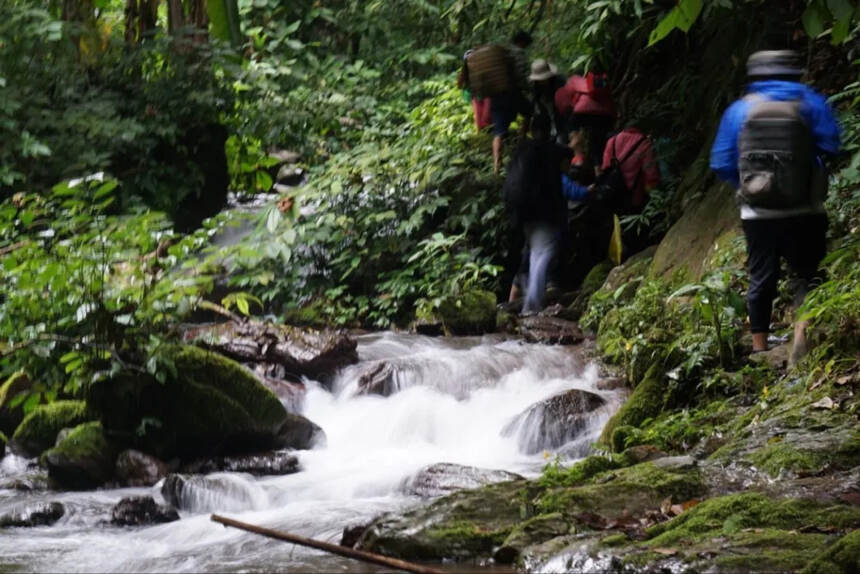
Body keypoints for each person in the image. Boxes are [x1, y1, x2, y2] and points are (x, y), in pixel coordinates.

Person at [710, 49, 840, 362]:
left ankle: (759, 347)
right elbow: (832, 144)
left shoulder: (740, 110)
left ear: (755, 77)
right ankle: (801, 332)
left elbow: (720, 161)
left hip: (757, 212)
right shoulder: (809, 102)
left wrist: (748, 185)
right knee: (807, 273)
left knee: (762, 274)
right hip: (805, 207)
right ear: (796, 74)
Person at [503, 114, 572, 314]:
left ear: (532, 130)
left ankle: (529, 287)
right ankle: (531, 302)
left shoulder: (521, 149)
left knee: (535, 251)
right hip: (543, 209)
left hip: (521, 210)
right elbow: (568, 153)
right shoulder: (550, 149)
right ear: (548, 130)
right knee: (546, 251)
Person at [600, 121, 660, 257]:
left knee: (617, 230)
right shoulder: (644, 143)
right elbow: (651, 175)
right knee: (635, 237)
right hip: (634, 198)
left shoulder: (612, 142)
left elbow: (605, 169)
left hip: (613, 196)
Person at [490, 31, 532, 174]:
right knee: (529, 112)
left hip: (495, 96)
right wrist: (529, 87)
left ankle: (496, 166)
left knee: (499, 132)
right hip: (512, 94)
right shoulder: (520, 54)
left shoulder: (502, 53)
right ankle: (521, 142)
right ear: (523, 42)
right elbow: (521, 77)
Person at [555, 70, 617, 167]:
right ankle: (601, 167)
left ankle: (578, 164)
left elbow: (564, 106)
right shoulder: (593, 85)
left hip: (582, 112)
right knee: (599, 142)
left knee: (574, 138)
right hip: (606, 114)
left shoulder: (571, 83)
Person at [528, 59, 567, 144]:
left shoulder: (559, 81)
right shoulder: (535, 86)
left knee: (561, 131)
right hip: (545, 109)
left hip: (560, 109)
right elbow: (534, 101)